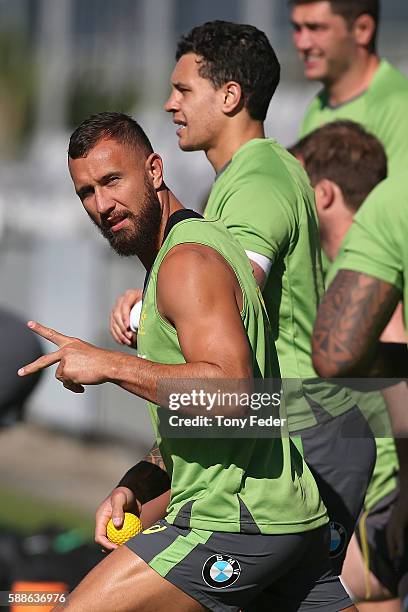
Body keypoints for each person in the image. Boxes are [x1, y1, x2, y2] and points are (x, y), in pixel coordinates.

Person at [18, 112, 353, 612]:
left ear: (155, 170)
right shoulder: (174, 258)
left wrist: (108, 365)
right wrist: (136, 485)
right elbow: (201, 416)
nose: (102, 205)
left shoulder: (187, 263)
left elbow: (234, 394)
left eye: (112, 180)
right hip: (283, 515)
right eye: (86, 192)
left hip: (233, 522)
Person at [109, 20, 376, 576]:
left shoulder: (258, 181)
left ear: (230, 95)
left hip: (302, 432)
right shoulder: (243, 177)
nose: (169, 104)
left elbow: (227, 297)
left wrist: (146, 311)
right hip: (283, 426)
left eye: (184, 90)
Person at [291, 120, 407, 610]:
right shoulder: (329, 271)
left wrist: (402, 501)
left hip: (379, 490)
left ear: (323, 195)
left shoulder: (366, 279)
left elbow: (399, 377)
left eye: (295, 192)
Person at [290, 0, 408, 176]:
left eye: (315, 28)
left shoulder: (399, 106)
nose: (302, 44)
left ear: (363, 29)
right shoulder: (317, 107)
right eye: (297, 28)